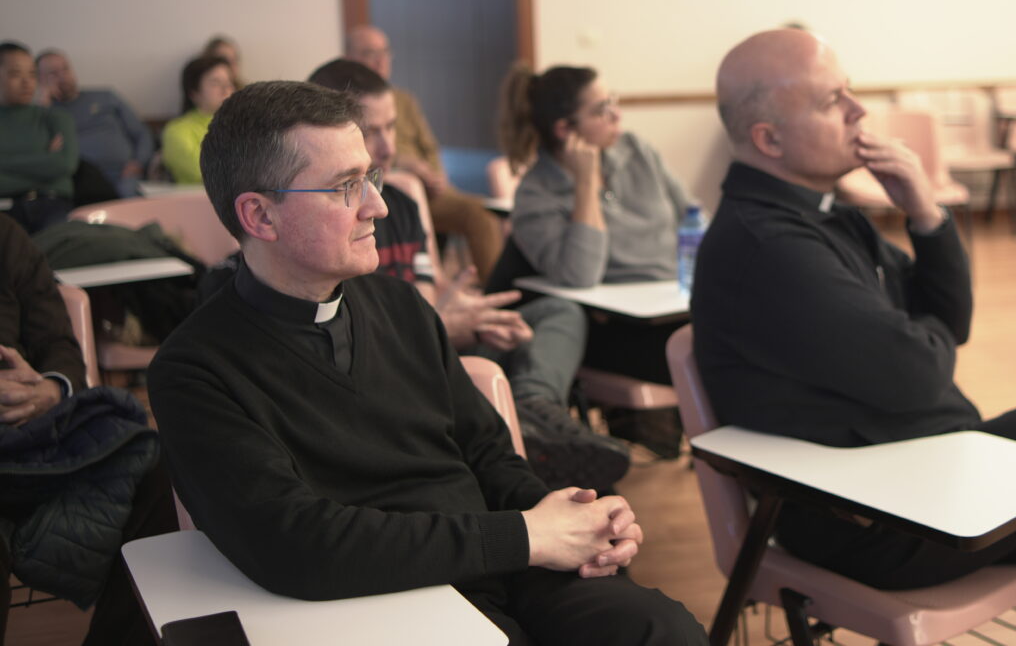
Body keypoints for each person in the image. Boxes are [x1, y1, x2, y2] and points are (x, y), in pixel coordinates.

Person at [146, 80, 704, 645]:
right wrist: (525, 535)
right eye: (345, 187)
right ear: (260, 216)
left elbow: (486, 453)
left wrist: (569, 519)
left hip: (501, 562)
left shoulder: (400, 306)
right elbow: (296, 544)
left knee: (662, 630)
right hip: (378, 598)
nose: (378, 205)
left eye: (370, 177)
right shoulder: (196, 370)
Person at [691, 27, 1016, 644]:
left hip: (921, 473)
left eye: (849, 91)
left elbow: (949, 324)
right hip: (869, 516)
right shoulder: (769, 247)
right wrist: (916, 340)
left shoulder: (820, 216)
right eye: (831, 101)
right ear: (768, 139)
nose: (858, 110)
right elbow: (920, 374)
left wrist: (925, 212)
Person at [304, 58, 629, 490]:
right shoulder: (324, 227)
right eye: (370, 131)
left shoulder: (400, 206)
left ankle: (537, 413)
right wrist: (442, 324)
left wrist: (464, 313)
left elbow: (425, 299)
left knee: (557, 313)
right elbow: (367, 335)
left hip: (431, 342)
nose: (387, 146)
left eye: (392, 127)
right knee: (578, 486)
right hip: (395, 367)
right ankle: (538, 442)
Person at [0, 215, 177, 646]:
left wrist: (50, 389)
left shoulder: (6, 237)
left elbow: (59, 344)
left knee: (167, 476)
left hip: (33, 437)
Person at [501, 62, 694, 456]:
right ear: (565, 130)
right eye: (602, 110)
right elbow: (580, 274)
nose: (616, 115)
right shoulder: (536, 195)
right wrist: (586, 183)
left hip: (673, 305)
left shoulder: (637, 151)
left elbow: (692, 218)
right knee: (722, 353)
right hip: (613, 329)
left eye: (613, 102)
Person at [345, 24, 502, 282]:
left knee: (488, 211)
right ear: (349, 57)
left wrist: (436, 177)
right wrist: (407, 165)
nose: (380, 60)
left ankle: (493, 290)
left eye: (385, 52)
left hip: (431, 187)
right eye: (370, 53)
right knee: (478, 216)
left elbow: (429, 146)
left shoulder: (404, 100)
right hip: (391, 184)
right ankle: (496, 292)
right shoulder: (343, 103)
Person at [35, 49, 154, 197]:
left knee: (130, 196)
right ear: (39, 80)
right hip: (80, 180)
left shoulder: (106, 96)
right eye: (53, 73)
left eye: (65, 69)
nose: (63, 76)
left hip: (124, 174)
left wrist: (138, 162)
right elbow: (39, 150)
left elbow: (141, 133)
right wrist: (43, 105)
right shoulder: (46, 112)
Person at [0, 42, 78, 233]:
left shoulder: (55, 118)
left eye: (32, 74)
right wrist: (44, 162)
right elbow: (55, 170)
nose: (27, 82)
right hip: (4, 209)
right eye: (16, 74)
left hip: (51, 204)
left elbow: (64, 164)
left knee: (61, 242)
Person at [161, 55, 235, 184]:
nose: (226, 89)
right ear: (194, 93)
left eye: (229, 82)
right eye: (215, 83)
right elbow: (203, 172)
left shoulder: (242, 124)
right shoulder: (177, 130)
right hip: (196, 195)